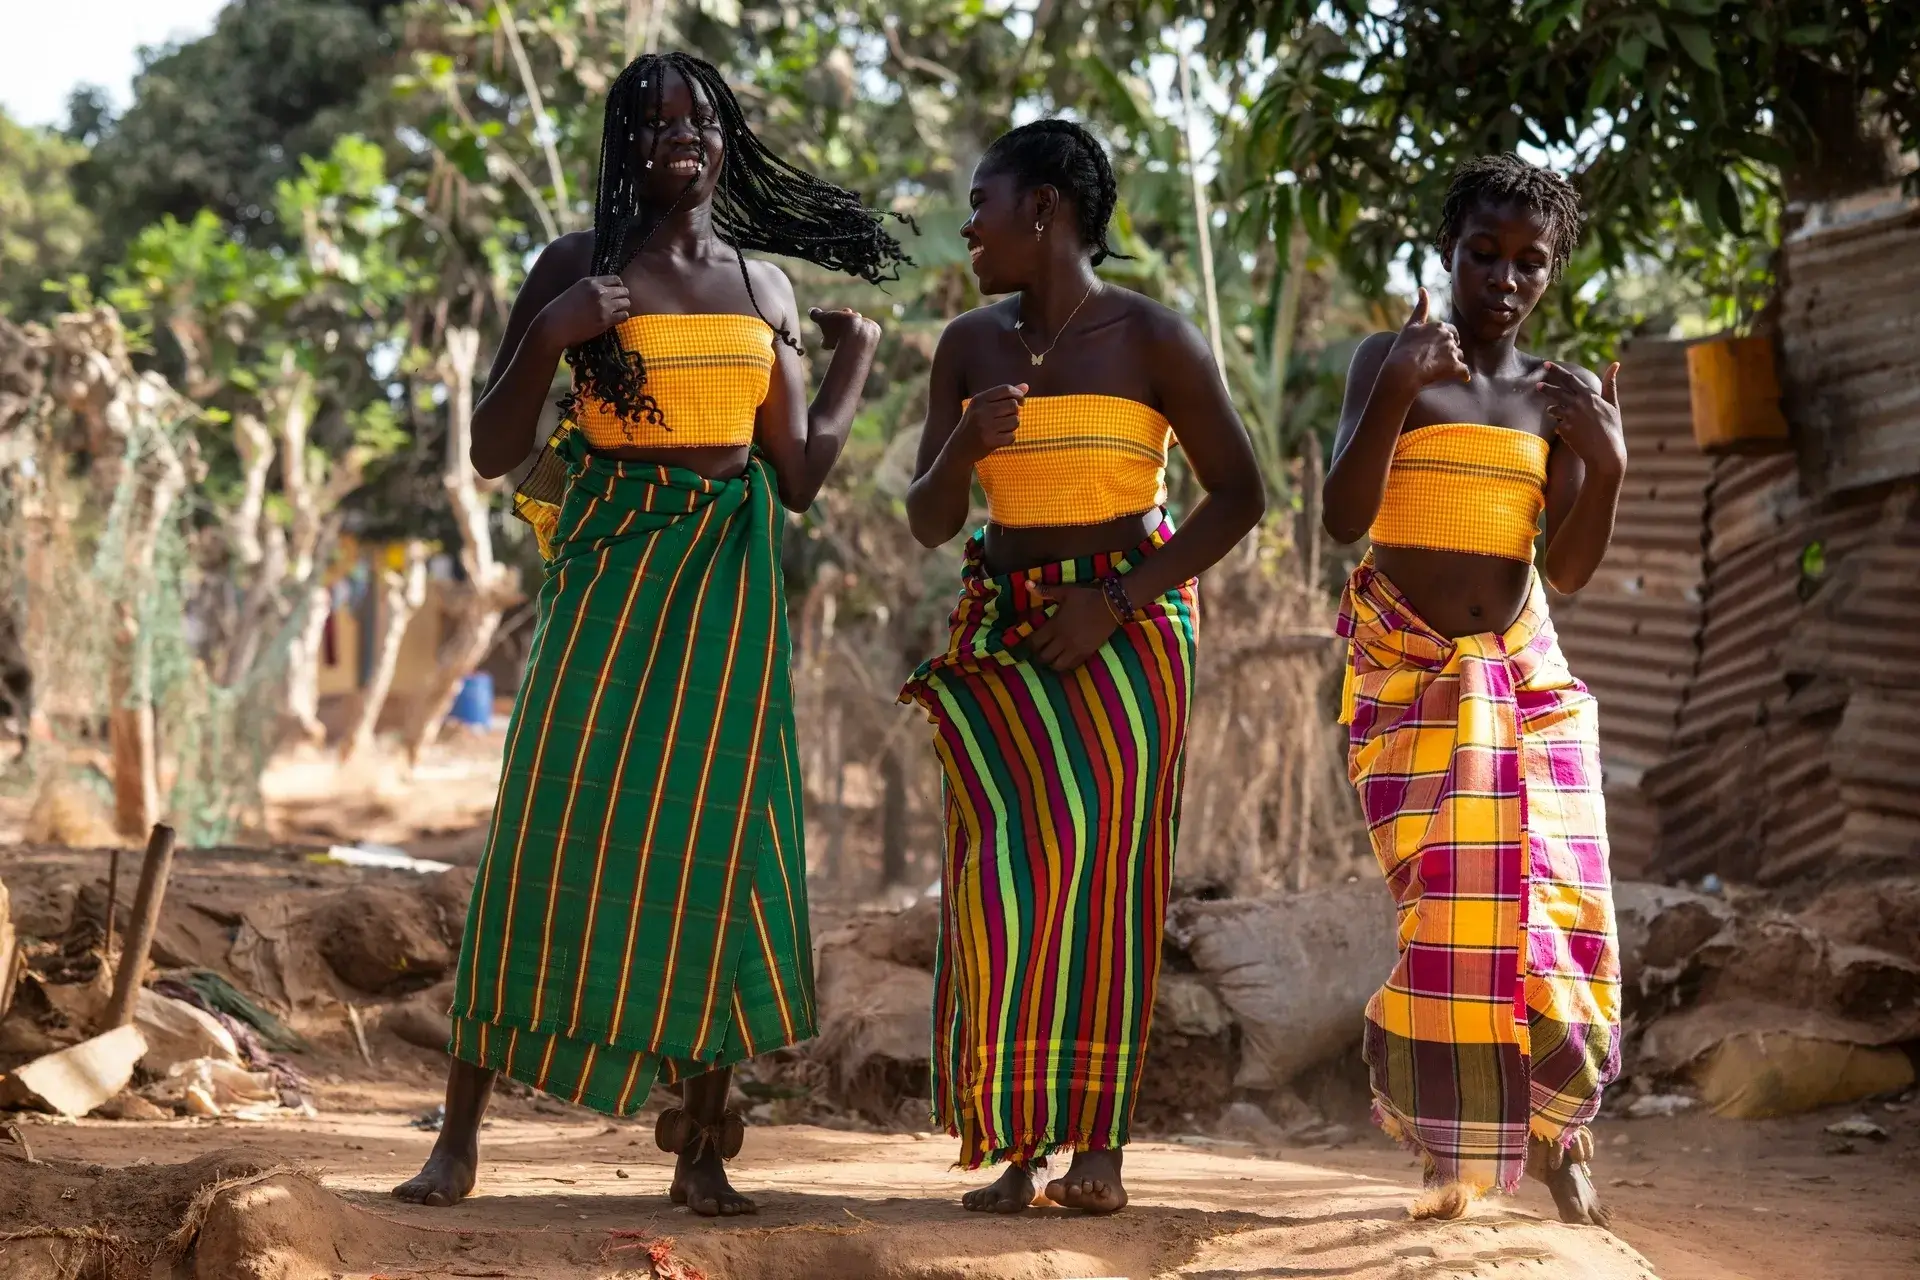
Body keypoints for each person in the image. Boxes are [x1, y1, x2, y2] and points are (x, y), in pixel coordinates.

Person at [392, 50, 906, 1218]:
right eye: (655, 120)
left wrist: (857, 363)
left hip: (725, 582)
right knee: (544, 823)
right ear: (623, 143)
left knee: (716, 842)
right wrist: (552, 334)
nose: (680, 136)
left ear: (727, 141)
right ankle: (460, 1138)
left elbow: (799, 475)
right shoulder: (574, 267)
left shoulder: (763, 288)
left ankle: (703, 1148)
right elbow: (488, 449)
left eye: (700, 119)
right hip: (610, 568)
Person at [900, 120, 1265, 1215]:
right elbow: (928, 517)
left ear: (1046, 208)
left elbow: (1238, 494)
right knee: (1001, 884)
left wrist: (1113, 603)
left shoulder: (1153, 338)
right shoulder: (969, 343)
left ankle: (1097, 1144)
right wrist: (966, 445)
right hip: (1004, 628)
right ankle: (1015, 1140)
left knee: (1106, 883)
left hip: (1128, 629)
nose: (966, 224)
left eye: (983, 201)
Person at [1321, 153, 1624, 1225]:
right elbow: (1342, 516)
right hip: (1407, 681)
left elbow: (1573, 568)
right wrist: (1399, 385)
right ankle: (1454, 1149)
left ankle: (1564, 1136)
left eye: (1528, 262)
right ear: (1449, 251)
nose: (1504, 278)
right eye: (1484, 254)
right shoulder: (1391, 360)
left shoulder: (1557, 396)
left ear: (1552, 272)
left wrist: (1611, 463)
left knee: (1557, 914)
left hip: (1524, 683)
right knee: (1447, 915)